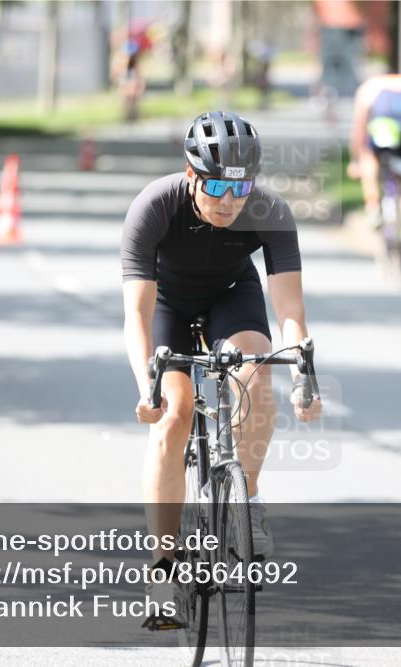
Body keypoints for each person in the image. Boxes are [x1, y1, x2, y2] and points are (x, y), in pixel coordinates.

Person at [121, 111, 323, 628]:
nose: (230, 201)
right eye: (215, 186)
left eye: (240, 188)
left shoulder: (269, 210)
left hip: (233, 298)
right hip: (168, 305)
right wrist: (148, 387)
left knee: (259, 376)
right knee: (174, 415)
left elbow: (291, 314)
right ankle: (164, 570)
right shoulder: (153, 207)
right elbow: (137, 314)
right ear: (191, 176)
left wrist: (305, 375)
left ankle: (245, 500)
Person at [347, 72, 401, 267]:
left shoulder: (369, 87)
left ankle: (374, 207)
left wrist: (355, 159)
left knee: (369, 158)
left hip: (381, 129)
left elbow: (359, 127)